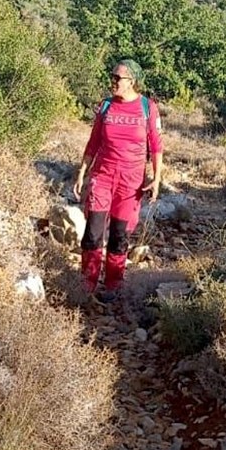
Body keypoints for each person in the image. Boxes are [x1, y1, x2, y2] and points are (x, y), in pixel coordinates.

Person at [72, 59, 164, 304]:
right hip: (103, 176)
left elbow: (156, 145)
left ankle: (113, 285)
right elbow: (93, 142)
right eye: (112, 77)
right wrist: (82, 171)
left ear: (131, 81)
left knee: (119, 235)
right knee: (92, 232)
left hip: (131, 182)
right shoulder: (105, 107)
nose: (112, 82)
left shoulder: (147, 107)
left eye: (117, 78)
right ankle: (87, 284)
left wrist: (157, 178)